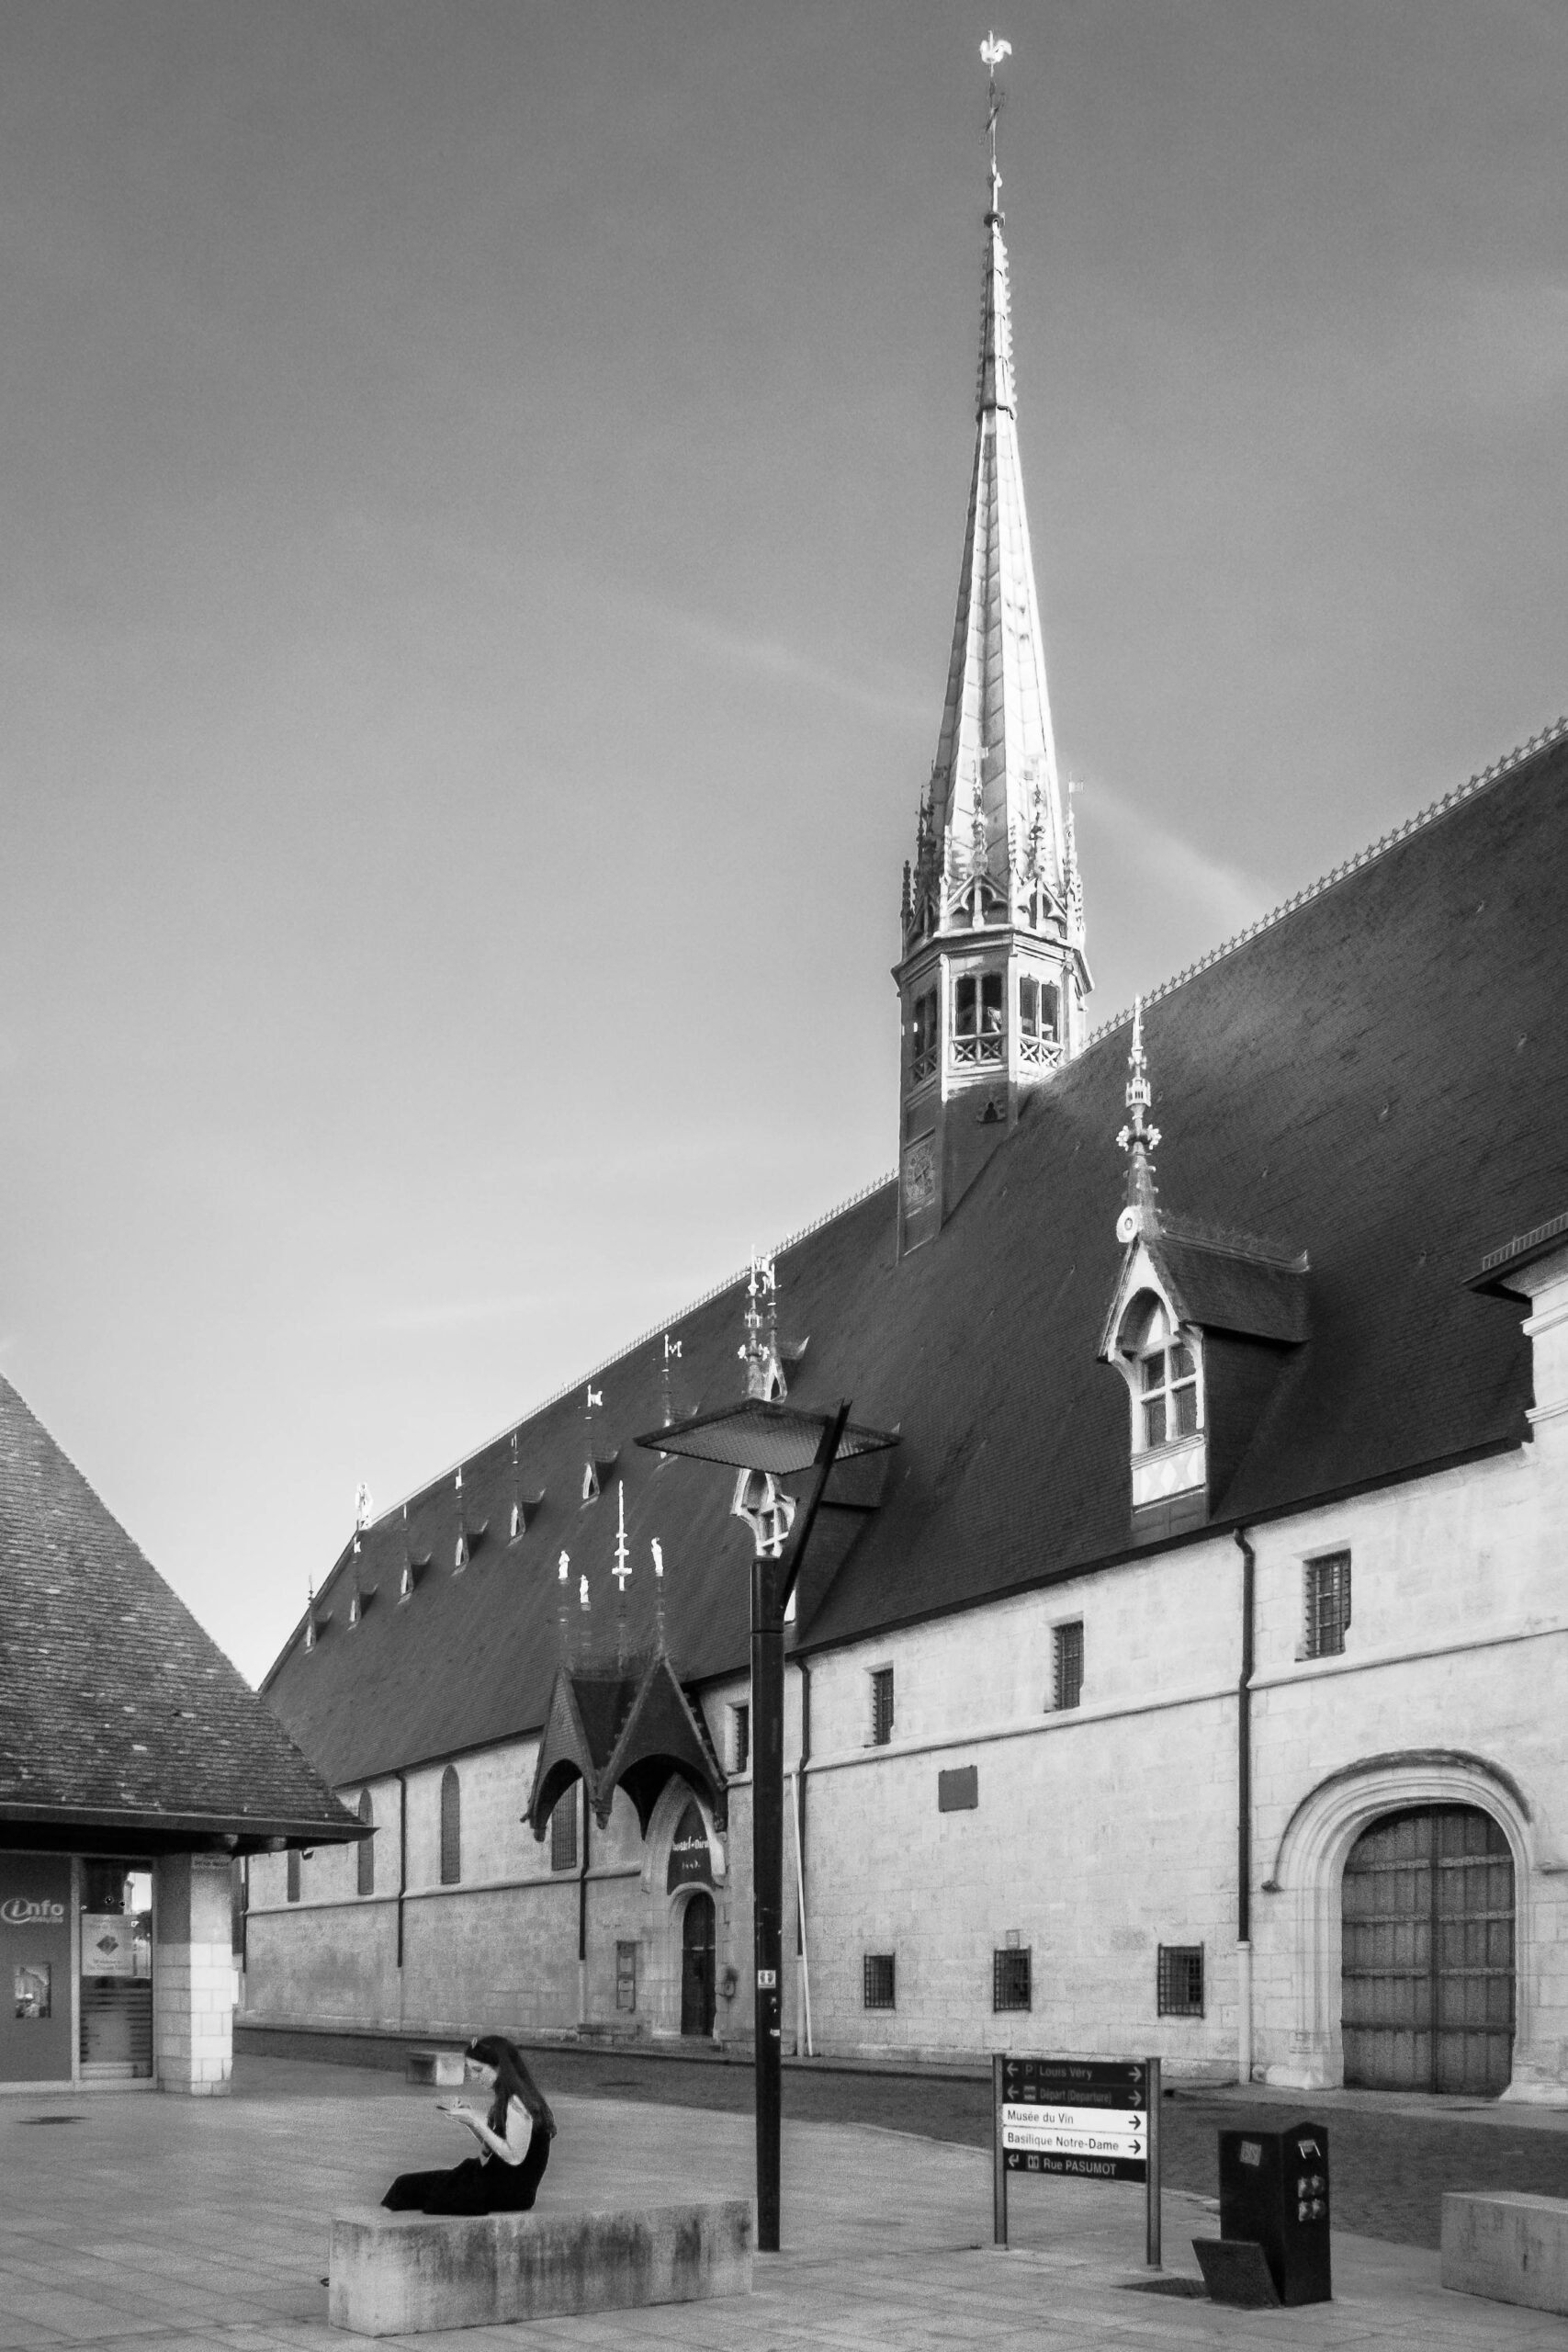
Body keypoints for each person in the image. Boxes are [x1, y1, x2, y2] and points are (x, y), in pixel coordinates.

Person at [382, 2034, 556, 2215]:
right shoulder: (512, 2098)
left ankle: (383, 2223)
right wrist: (469, 2121)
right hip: (498, 2184)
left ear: (500, 2068)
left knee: (409, 2187)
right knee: (407, 2185)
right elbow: (494, 2145)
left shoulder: (518, 2103)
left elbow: (513, 2156)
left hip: (508, 2193)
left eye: (478, 2070)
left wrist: (475, 2120)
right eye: (470, 2070)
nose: (473, 2076)